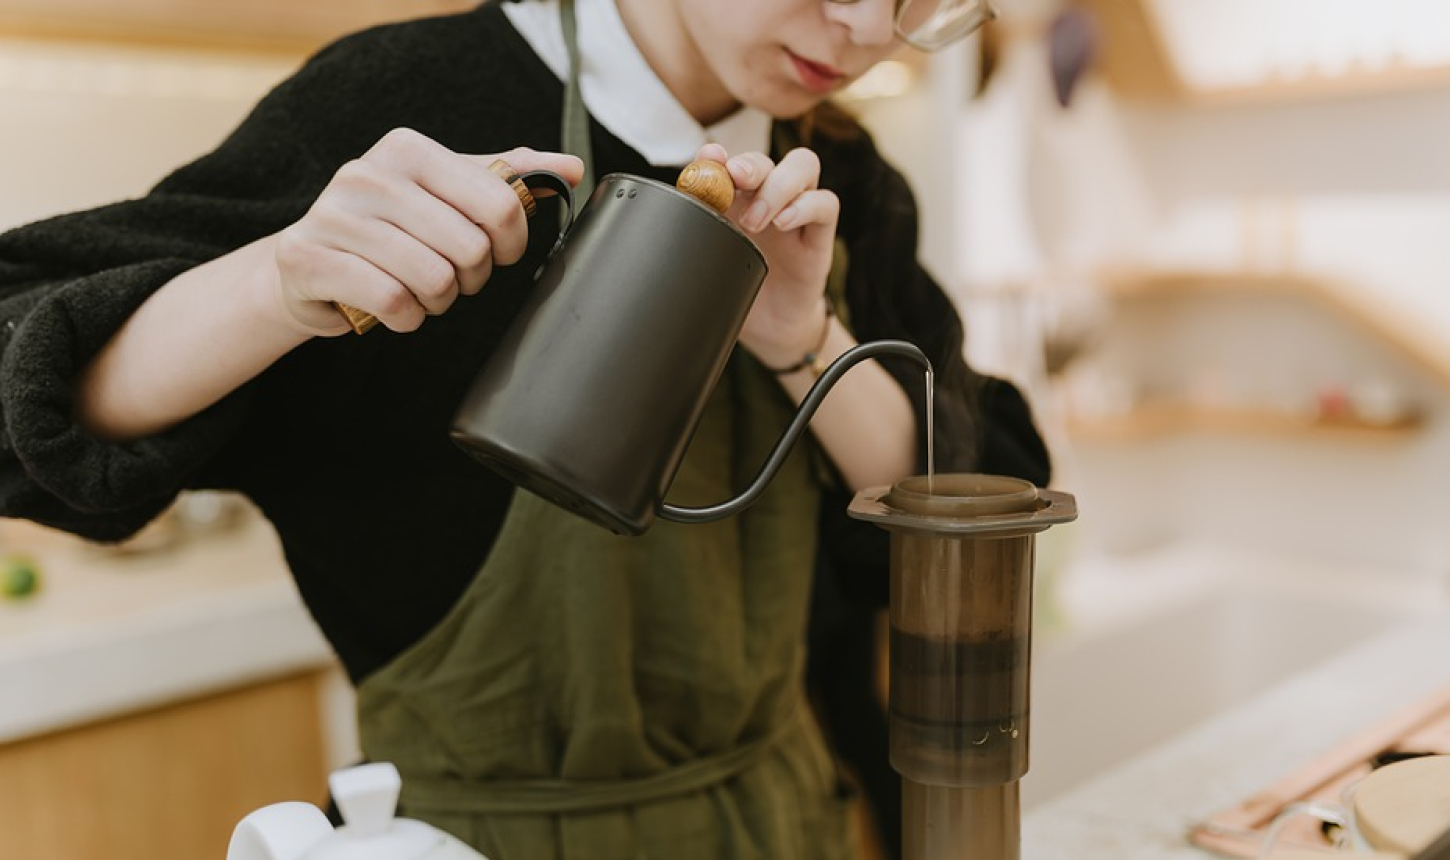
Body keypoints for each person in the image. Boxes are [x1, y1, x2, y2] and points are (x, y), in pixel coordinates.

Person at [0, 0, 1047, 857]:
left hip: (783, 823)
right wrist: (274, 286)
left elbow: (971, 505)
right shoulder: (407, 100)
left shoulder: (841, 175)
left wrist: (803, 339)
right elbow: (21, 391)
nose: (865, 29)